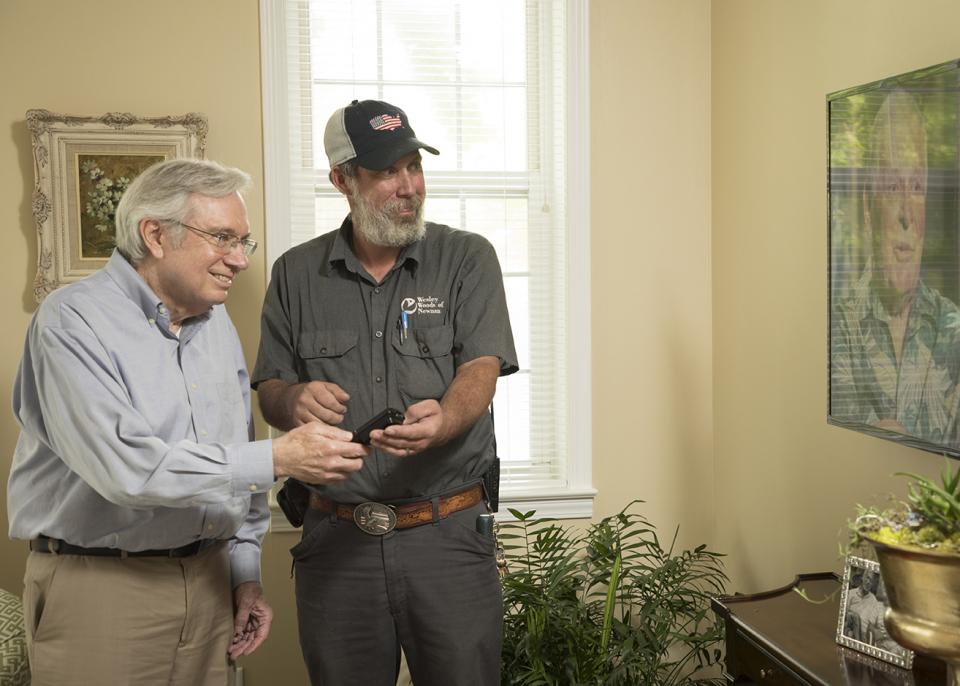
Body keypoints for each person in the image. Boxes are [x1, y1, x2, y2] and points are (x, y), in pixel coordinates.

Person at [7, 158, 369, 686]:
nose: (239, 261)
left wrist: (243, 577)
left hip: (209, 585)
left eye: (244, 242)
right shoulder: (71, 321)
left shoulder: (216, 323)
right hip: (101, 589)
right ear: (154, 235)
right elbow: (127, 469)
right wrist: (281, 456)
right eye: (222, 238)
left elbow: (235, 467)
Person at [253, 99, 518, 685]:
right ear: (342, 180)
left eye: (414, 166)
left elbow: (481, 367)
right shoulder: (295, 274)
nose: (408, 186)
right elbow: (269, 387)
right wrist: (292, 401)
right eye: (386, 172)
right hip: (338, 540)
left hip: (447, 538)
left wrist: (445, 419)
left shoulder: (466, 258)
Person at [831, 89, 960, 446]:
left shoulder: (953, 330)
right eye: (891, 186)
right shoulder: (839, 328)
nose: (906, 213)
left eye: (917, 187)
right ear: (869, 210)